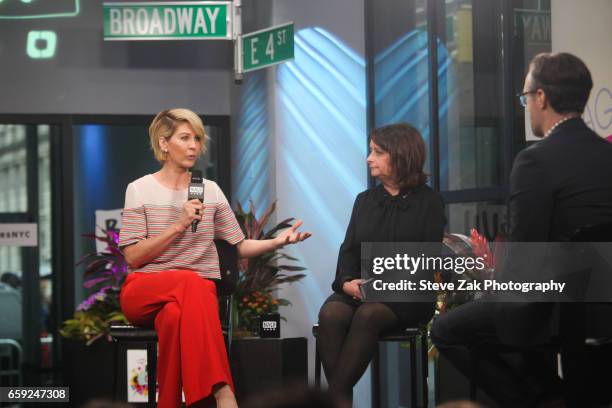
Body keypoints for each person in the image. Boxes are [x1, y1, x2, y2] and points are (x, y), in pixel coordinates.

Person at [431, 52, 612, 407]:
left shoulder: (535, 160)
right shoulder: (606, 155)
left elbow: (525, 257)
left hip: (557, 308)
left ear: (541, 97)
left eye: (526, 97)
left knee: (447, 330)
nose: (526, 107)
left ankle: (545, 398)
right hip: (605, 306)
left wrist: (492, 282)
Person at [119, 108, 311, 408]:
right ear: (164, 143)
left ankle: (168, 403)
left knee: (174, 315)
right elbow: (133, 257)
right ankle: (223, 392)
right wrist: (179, 224)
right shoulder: (139, 189)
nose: (194, 145)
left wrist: (277, 241)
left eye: (197, 138)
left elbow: (237, 247)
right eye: (185, 138)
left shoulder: (210, 191)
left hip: (190, 300)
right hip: (144, 290)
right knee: (195, 283)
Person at [317, 123, 445, 402]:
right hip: (362, 291)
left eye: (377, 152)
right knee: (330, 315)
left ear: (400, 155)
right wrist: (347, 283)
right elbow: (348, 251)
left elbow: (427, 260)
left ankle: (333, 400)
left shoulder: (430, 202)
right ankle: (339, 401)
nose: (369, 158)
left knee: (369, 315)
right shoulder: (364, 201)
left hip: (409, 294)